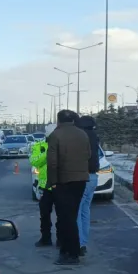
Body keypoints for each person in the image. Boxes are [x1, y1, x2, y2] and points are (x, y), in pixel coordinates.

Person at [46, 110, 91, 265]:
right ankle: (70, 250)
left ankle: (71, 253)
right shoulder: (82, 134)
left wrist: (52, 182)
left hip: (63, 180)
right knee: (72, 214)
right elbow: (88, 155)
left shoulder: (55, 135)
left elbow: (52, 162)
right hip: (80, 180)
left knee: (66, 218)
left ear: (59, 120)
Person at [75, 115, 100, 256]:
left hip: (81, 176)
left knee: (77, 211)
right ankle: (83, 242)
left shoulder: (80, 136)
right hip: (93, 176)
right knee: (85, 211)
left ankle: (77, 243)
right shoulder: (94, 136)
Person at [29, 132, 56, 247]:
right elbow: (34, 161)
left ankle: (61, 239)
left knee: (63, 215)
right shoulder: (39, 146)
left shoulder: (63, 145)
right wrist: (48, 153)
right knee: (44, 214)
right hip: (45, 186)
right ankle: (46, 238)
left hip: (60, 184)